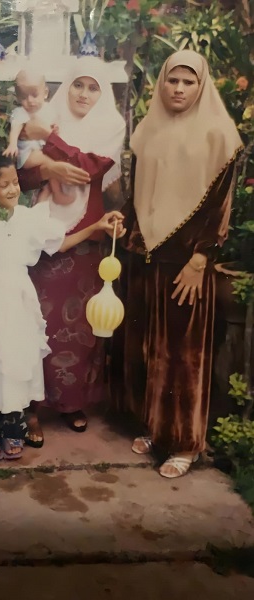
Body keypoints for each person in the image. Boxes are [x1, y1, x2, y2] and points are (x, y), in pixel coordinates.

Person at [0, 151, 124, 462]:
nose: (13, 189)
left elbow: (61, 243)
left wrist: (98, 224)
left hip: (19, 299)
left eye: (15, 182)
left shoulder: (29, 220)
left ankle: (13, 426)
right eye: (4, 185)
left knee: (17, 358)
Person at [114, 50, 243, 478]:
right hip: (145, 254)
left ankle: (186, 443)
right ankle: (157, 428)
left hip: (187, 259)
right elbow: (139, 193)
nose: (179, 89)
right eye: (173, 81)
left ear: (201, 85)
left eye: (188, 82)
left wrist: (203, 255)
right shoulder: (149, 131)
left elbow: (220, 205)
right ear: (162, 84)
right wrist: (125, 223)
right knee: (151, 347)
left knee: (184, 355)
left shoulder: (218, 135)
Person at [16, 57, 126, 445]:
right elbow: (24, 174)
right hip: (43, 232)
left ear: (104, 93)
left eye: (93, 87)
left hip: (87, 235)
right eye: (77, 84)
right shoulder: (46, 115)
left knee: (79, 324)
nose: (84, 94)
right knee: (37, 320)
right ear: (66, 87)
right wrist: (49, 168)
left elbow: (92, 168)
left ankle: (71, 401)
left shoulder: (111, 125)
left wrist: (53, 146)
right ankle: (30, 405)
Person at [3, 69, 74, 206]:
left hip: (41, 150)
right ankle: (59, 194)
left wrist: (54, 130)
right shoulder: (20, 112)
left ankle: (41, 206)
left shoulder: (48, 110)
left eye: (34, 95)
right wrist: (12, 144)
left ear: (45, 93)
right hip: (28, 154)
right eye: (24, 97)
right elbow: (16, 128)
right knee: (55, 165)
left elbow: (50, 130)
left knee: (48, 181)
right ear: (17, 97)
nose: (30, 101)